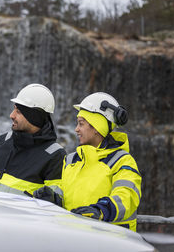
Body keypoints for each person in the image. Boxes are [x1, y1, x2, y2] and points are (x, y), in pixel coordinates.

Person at [33, 92, 141, 231]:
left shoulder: (122, 161)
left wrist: (100, 210)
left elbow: (127, 197)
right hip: (77, 237)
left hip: (112, 241)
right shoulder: (71, 159)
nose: (76, 129)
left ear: (97, 127)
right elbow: (65, 194)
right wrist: (53, 198)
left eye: (81, 124)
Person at [0, 83, 66, 196]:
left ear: (33, 117)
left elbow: (51, 205)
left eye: (19, 111)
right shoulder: (2, 141)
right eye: (14, 109)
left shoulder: (55, 156)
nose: (11, 115)